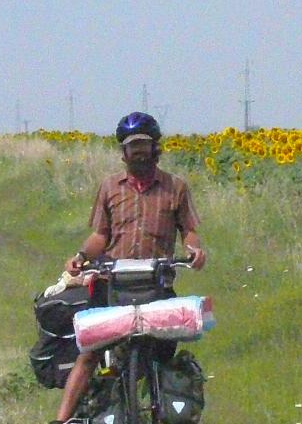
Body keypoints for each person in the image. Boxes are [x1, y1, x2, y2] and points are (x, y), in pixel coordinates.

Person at [50, 111, 206, 424]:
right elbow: (100, 235)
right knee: (90, 352)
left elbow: (188, 229)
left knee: (163, 356)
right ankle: (61, 419)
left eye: (144, 145)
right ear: (123, 151)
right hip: (112, 283)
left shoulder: (176, 187)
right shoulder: (109, 188)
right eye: (132, 146)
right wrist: (81, 257)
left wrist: (194, 251)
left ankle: (162, 408)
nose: (139, 152)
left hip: (157, 283)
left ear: (155, 148)